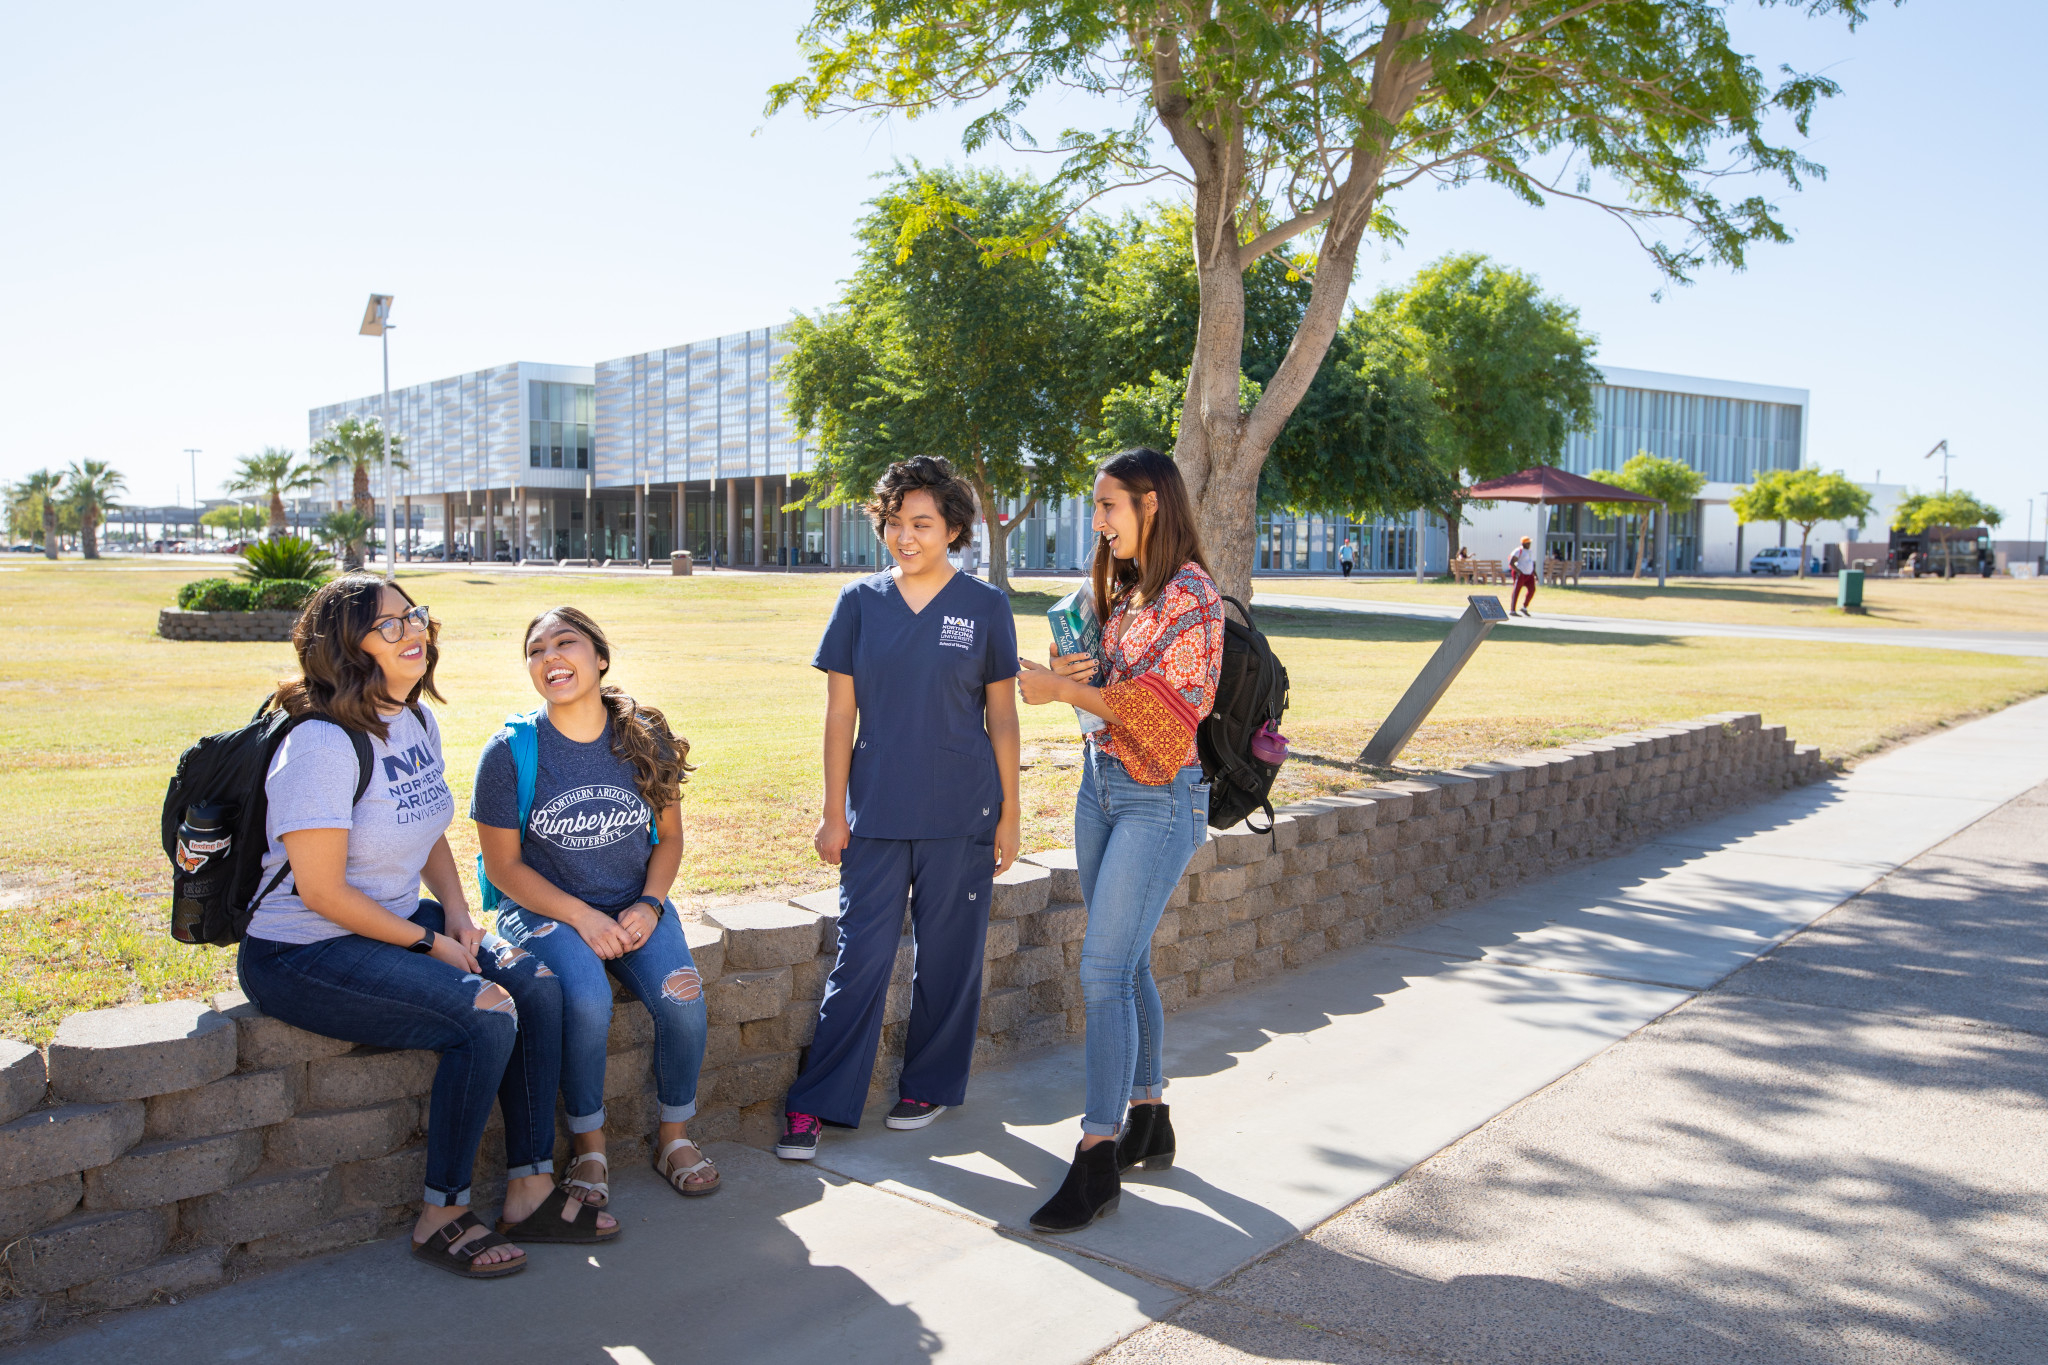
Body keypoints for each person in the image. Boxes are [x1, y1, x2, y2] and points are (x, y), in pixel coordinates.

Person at [234, 575, 609, 1282]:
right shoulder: (320, 743)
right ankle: (442, 1210)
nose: (416, 633)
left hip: (400, 919)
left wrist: (461, 916)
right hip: (303, 949)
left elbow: (427, 827)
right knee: (486, 1014)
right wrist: (432, 943)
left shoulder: (413, 719)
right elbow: (320, 890)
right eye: (391, 626)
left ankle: (529, 1185)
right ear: (347, 647)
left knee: (535, 983)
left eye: (417, 617)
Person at [776, 456, 1022, 1160]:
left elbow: (1002, 717)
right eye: (894, 521)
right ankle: (816, 1101)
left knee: (950, 959)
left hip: (963, 814)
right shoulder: (859, 602)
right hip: (876, 811)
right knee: (862, 956)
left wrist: (1009, 813)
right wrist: (833, 811)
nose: (905, 535)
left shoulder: (985, 607)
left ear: (952, 528)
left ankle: (930, 1084)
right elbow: (839, 715)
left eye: (922, 522)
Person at [1015, 447, 1225, 1234]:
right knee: (1127, 959)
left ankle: (1096, 1152)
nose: (1097, 523)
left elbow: (1167, 721)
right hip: (1101, 788)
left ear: (1152, 505)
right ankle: (1149, 1115)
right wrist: (1080, 668)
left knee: (1101, 969)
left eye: (1109, 508)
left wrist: (1067, 687)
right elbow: (1116, 690)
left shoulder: (1194, 599)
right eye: (1096, 507)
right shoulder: (1133, 590)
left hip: (1158, 799)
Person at [474, 606, 717, 1207]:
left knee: (684, 997)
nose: (551, 657)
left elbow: (671, 838)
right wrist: (581, 917)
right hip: (546, 911)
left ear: (599, 657)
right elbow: (504, 868)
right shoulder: (510, 752)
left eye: (566, 642)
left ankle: (673, 1137)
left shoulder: (643, 737)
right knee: (585, 997)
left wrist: (650, 905)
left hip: (634, 903)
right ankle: (590, 1146)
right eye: (536, 650)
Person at [1509, 535, 1539, 615]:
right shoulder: (1518, 551)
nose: (1529, 544)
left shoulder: (1530, 552)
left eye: (1529, 543)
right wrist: (1518, 571)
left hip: (1529, 574)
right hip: (1521, 574)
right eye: (1528, 543)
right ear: (1524, 543)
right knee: (1516, 591)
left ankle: (1524, 607)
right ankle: (1512, 610)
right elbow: (1511, 563)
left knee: (1532, 590)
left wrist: (1535, 574)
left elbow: (1531, 564)